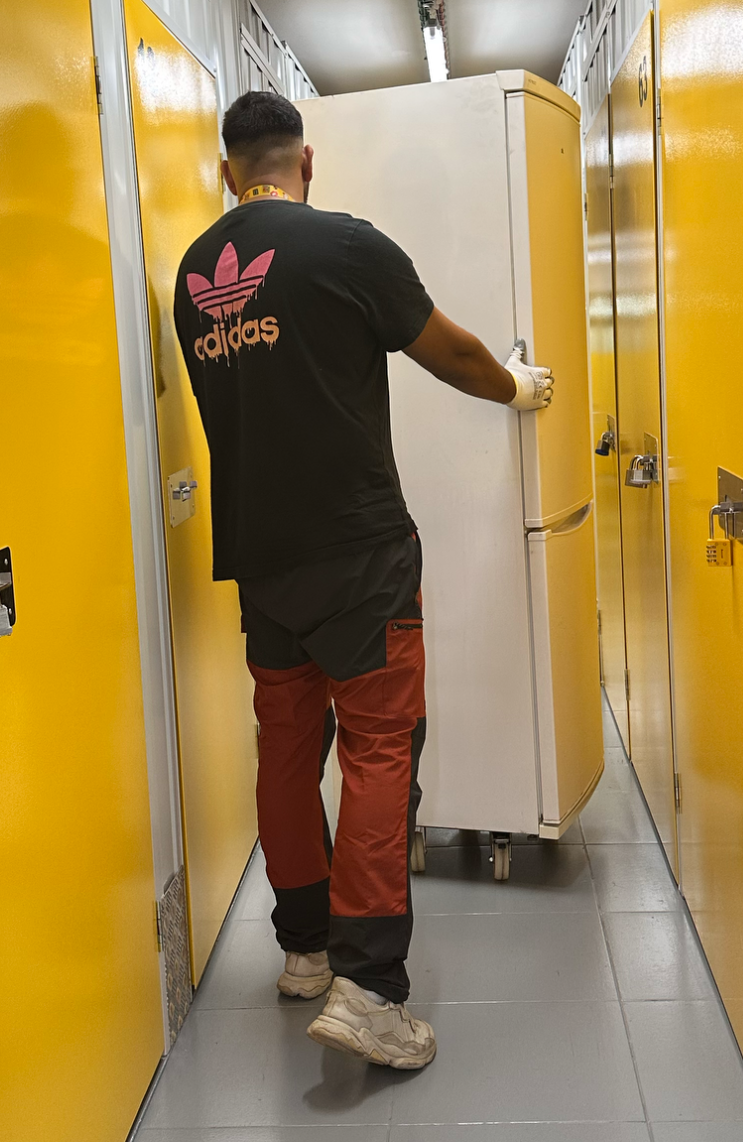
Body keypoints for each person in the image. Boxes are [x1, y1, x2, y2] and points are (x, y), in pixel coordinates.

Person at [174, 90, 553, 1071]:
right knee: (380, 749)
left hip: (261, 561)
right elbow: (452, 353)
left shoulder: (193, 275)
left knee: (287, 751)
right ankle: (371, 988)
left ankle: (303, 948)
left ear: (229, 173)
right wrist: (516, 384)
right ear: (306, 162)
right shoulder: (344, 246)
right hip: (360, 554)